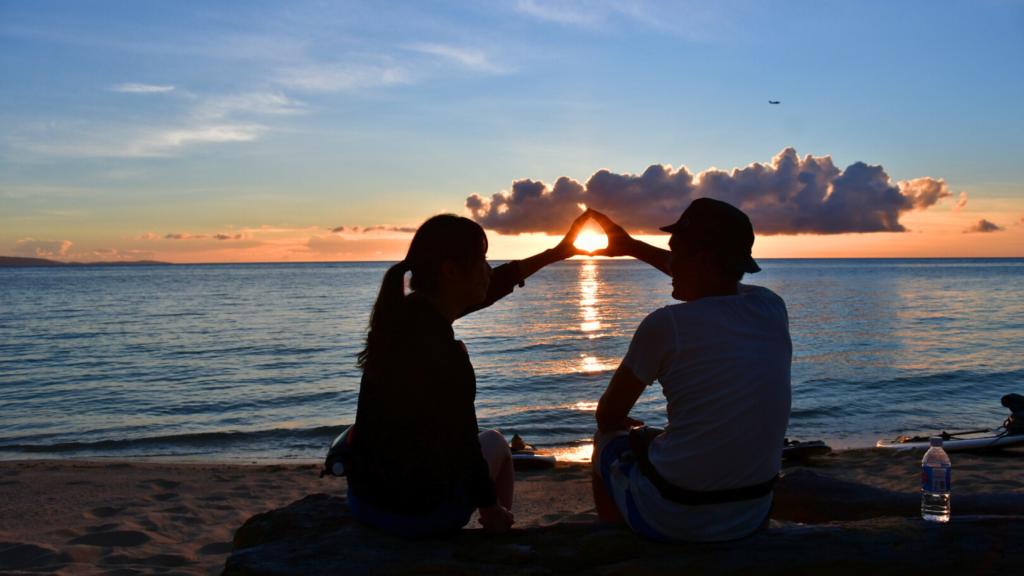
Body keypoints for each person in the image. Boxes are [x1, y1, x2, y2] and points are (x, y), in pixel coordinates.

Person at [346, 211, 592, 539]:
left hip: (364, 503)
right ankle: (497, 535)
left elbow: (492, 286)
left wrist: (556, 254)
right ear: (449, 269)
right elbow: (463, 448)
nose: (489, 270)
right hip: (415, 517)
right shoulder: (446, 355)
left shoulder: (401, 320)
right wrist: (491, 509)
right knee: (497, 444)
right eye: (482, 260)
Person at [588, 198, 792, 543]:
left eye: (675, 251)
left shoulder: (665, 325)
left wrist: (622, 427)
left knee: (606, 440)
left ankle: (615, 540)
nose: (669, 262)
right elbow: (719, 284)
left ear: (704, 259)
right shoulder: (771, 307)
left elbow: (607, 416)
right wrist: (630, 247)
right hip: (752, 514)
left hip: (674, 517)